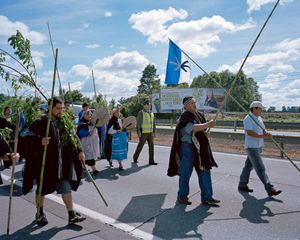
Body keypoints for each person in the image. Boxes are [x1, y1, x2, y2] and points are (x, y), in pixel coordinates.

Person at [22, 97, 86, 226]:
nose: (61, 111)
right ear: (50, 108)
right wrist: (40, 141)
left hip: (62, 165)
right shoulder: (40, 122)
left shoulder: (65, 122)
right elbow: (26, 137)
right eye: (58, 108)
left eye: (62, 108)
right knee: (42, 189)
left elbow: (73, 137)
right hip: (46, 164)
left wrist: (80, 150)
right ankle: (39, 213)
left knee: (66, 187)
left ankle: (71, 214)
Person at [167, 96, 220, 206]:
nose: (194, 105)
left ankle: (207, 197)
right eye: (191, 103)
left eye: (194, 102)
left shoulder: (199, 114)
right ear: (185, 106)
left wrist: (205, 132)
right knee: (186, 173)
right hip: (188, 148)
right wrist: (207, 125)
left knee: (205, 170)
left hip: (200, 148)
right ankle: (182, 196)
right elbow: (191, 129)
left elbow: (201, 130)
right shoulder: (184, 116)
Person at [238, 101, 282, 197]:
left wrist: (266, 133)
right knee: (260, 168)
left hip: (258, 146)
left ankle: (242, 184)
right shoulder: (248, 119)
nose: (261, 110)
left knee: (248, 166)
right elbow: (250, 132)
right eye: (260, 109)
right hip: (252, 147)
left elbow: (263, 128)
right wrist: (263, 136)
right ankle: (269, 188)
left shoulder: (259, 118)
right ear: (254, 108)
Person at [133, 100, 157, 165]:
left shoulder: (151, 113)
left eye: (150, 105)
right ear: (145, 105)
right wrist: (138, 132)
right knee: (140, 146)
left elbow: (153, 123)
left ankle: (151, 161)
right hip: (143, 133)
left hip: (150, 133)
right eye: (149, 105)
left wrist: (154, 131)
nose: (150, 106)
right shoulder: (141, 112)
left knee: (151, 146)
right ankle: (135, 158)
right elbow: (138, 123)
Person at [77, 110, 100, 175]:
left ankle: (84, 167)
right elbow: (80, 133)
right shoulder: (82, 124)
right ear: (84, 115)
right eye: (88, 114)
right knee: (88, 156)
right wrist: (88, 133)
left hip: (90, 143)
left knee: (88, 156)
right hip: (84, 142)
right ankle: (93, 169)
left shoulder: (90, 123)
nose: (89, 116)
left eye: (90, 115)